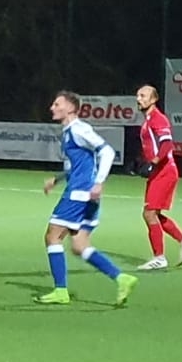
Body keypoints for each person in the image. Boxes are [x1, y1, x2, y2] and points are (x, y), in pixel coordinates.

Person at [38, 90, 138, 308]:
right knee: (79, 245)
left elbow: (107, 151)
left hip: (79, 194)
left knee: (52, 237)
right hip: (86, 195)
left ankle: (61, 291)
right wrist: (57, 179)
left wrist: (99, 182)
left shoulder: (79, 129)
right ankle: (121, 278)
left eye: (57, 104)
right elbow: (78, 165)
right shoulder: (69, 132)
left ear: (70, 108)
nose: (52, 108)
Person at [134, 84, 182, 270]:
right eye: (138, 95)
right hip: (159, 171)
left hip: (164, 171)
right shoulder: (148, 120)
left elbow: (167, 144)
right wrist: (142, 161)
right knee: (153, 214)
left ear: (154, 99)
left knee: (149, 213)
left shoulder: (158, 118)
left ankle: (159, 258)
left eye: (143, 96)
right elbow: (152, 146)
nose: (139, 99)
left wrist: (153, 162)